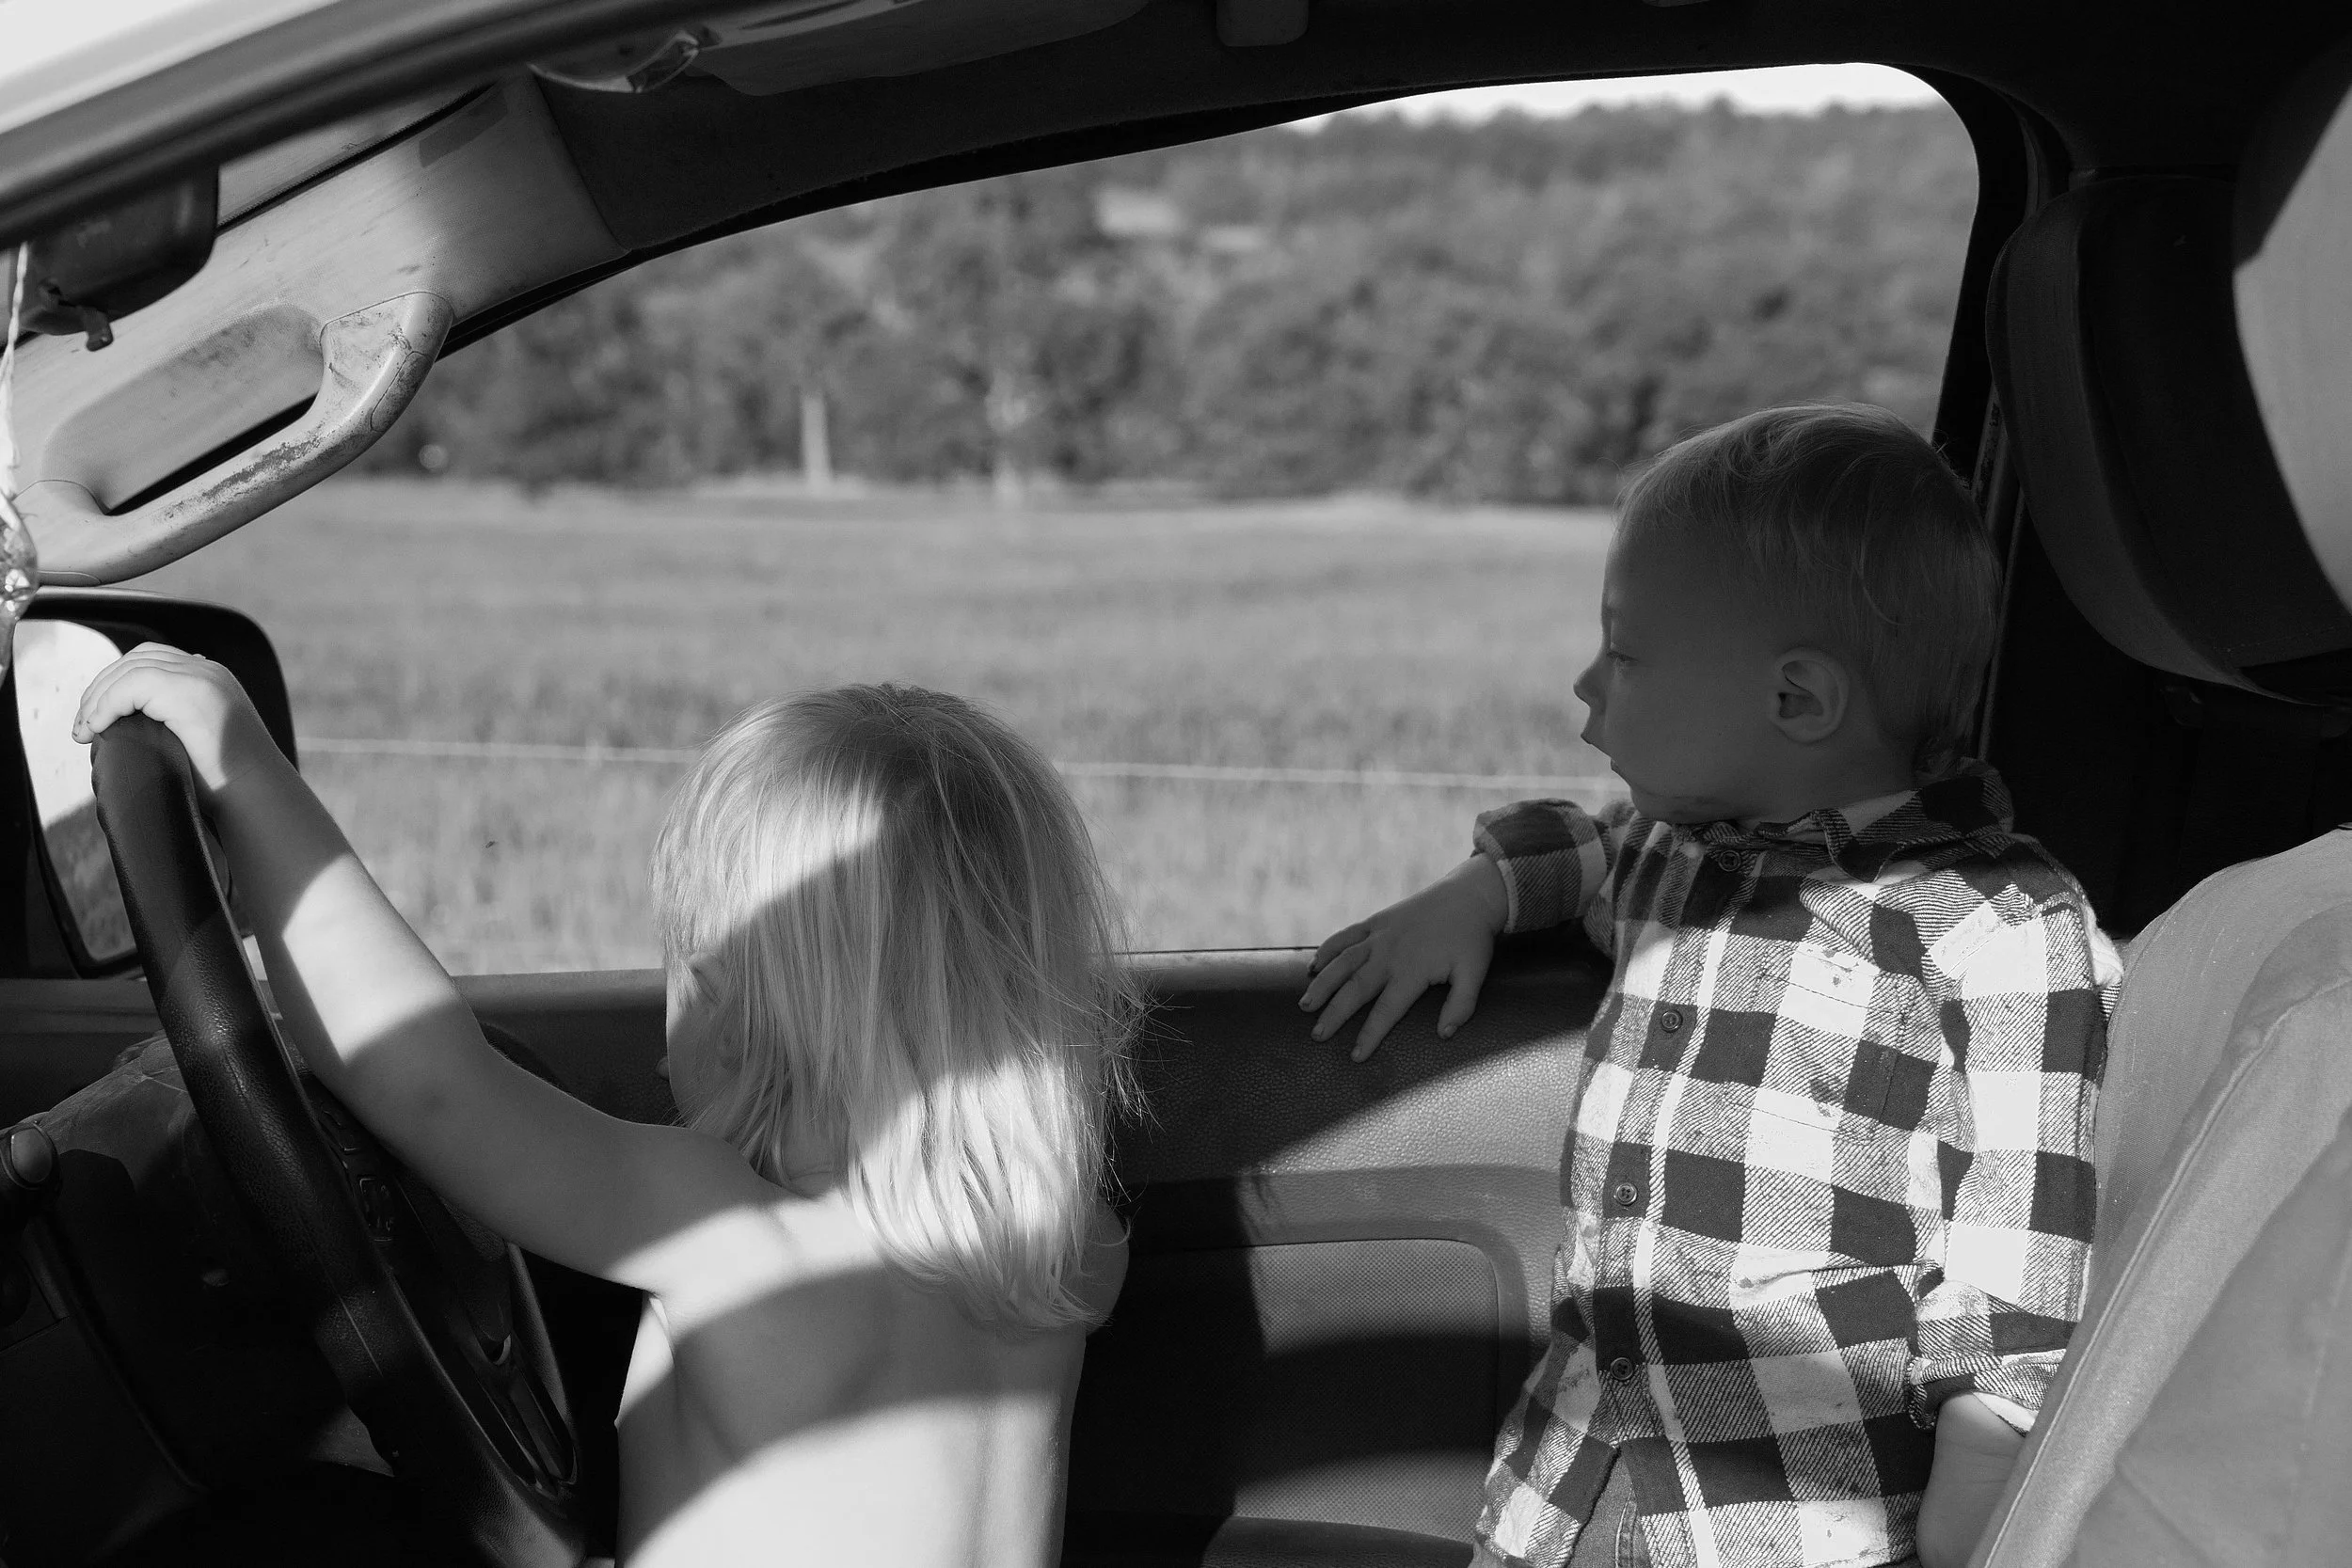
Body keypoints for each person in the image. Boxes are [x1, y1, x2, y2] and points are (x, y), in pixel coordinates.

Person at [73, 659, 1139, 1568]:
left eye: (685, 959)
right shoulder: (1070, 1249)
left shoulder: (734, 1230)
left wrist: (244, 763)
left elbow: (433, 1084)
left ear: (740, 1001)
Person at [1299, 404, 2119, 1568]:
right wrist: (1479, 891)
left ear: (1795, 700)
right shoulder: (1669, 855)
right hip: (1571, 1479)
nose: (1587, 687)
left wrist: (1983, 1470)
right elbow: (1582, 848)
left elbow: (2020, 1238)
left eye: (1624, 653)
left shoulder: (1998, 929)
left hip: (1795, 1518)